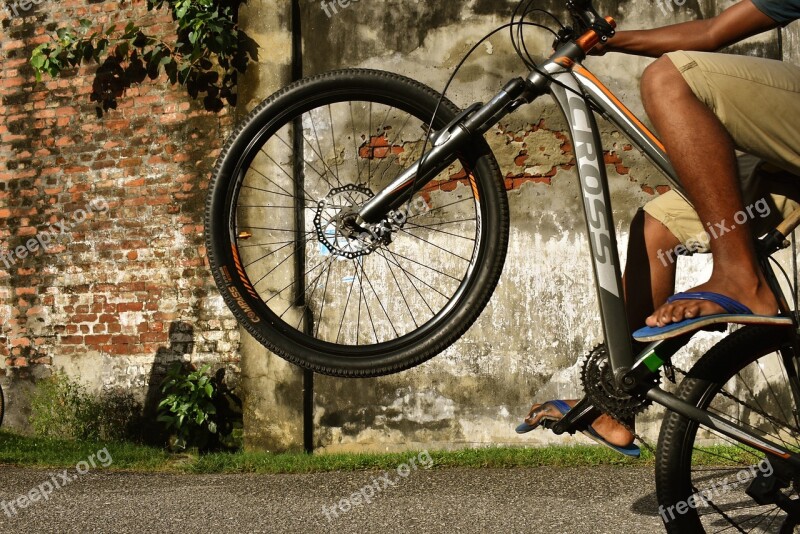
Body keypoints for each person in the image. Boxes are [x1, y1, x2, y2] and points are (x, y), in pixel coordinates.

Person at [519, 0, 800, 455]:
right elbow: (713, 31)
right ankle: (615, 407)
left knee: (671, 78)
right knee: (656, 228)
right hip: (785, 164)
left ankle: (740, 278)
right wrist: (603, 43)